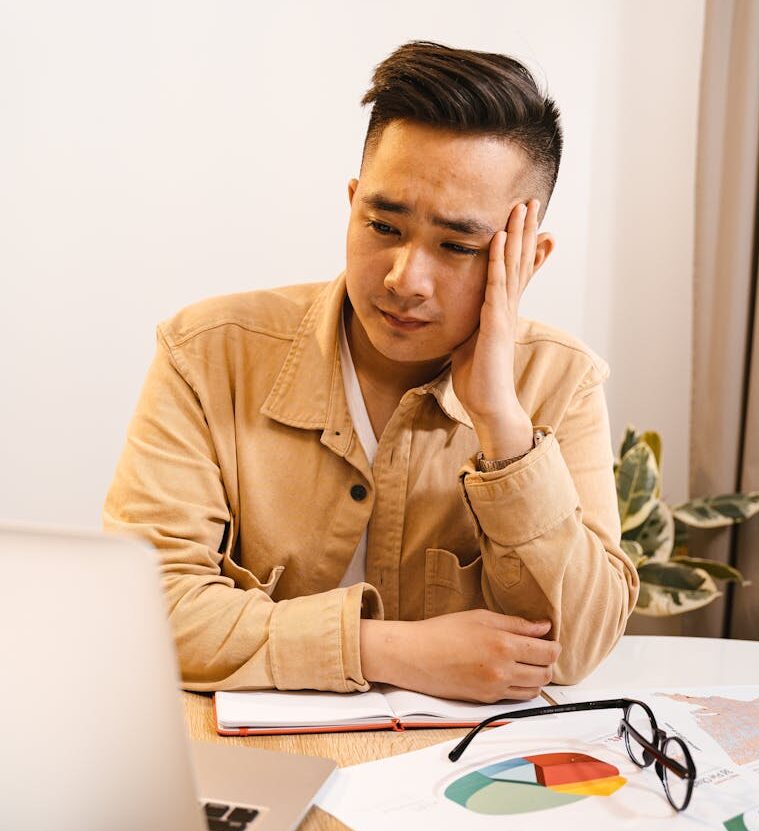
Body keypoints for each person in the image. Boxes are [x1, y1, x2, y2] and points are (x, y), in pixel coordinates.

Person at [104, 41, 638, 703]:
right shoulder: (207, 353)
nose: (404, 279)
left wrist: (504, 428)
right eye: (383, 225)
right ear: (353, 202)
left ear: (527, 257)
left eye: (457, 245)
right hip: (249, 771)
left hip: (449, 786)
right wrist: (392, 651)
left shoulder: (563, 382)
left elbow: (575, 646)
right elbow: (144, 614)